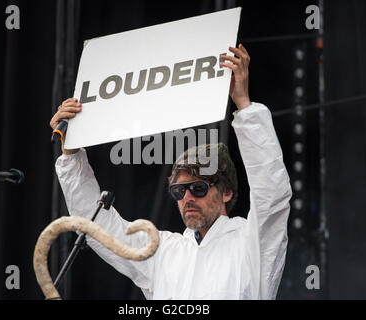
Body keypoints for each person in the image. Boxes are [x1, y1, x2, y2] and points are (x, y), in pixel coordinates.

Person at [50, 44, 292, 299]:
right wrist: (71, 153)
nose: (187, 198)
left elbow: (271, 194)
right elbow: (95, 224)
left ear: (226, 192)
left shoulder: (251, 242)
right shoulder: (162, 251)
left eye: (198, 188)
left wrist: (244, 106)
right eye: (179, 191)